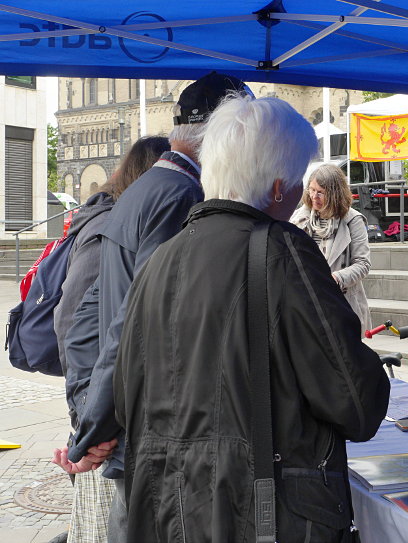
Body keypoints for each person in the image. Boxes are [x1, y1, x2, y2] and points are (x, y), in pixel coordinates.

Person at [113, 95, 389, 542]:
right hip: (262, 513)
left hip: (167, 511)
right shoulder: (284, 252)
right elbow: (355, 402)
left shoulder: (160, 260)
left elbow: (128, 399)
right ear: (279, 188)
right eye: (299, 178)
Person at [51, 72, 252, 542]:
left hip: (134, 431)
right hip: (156, 432)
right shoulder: (182, 196)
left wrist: (90, 417)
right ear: (222, 133)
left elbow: (82, 323)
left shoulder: (141, 189)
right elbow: (134, 321)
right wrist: (94, 429)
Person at [54, 136, 170, 543]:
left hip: (109, 420)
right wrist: (90, 421)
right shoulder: (110, 224)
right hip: (108, 427)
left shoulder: (121, 218)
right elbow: (74, 325)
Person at [291, 163, 372, 332]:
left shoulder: (353, 220)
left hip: (341, 304)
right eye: (311, 190)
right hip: (306, 304)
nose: (314, 196)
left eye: (320, 192)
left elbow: (363, 264)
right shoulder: (299, 217)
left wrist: (335, 278)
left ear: (335, 193)